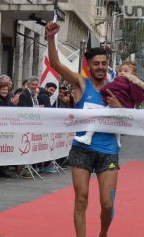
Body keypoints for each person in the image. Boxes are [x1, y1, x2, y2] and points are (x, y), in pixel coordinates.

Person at [46, 22, 123, 237]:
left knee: (107, 204)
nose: (101, 67)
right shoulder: (81, 83)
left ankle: (103, 234)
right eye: (96, 63)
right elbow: (55, 63)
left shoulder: (116, 88)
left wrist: (119, 107)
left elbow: (127, 118)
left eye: (104, 63)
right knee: (81, 198)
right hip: (82, 149)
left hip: (108, 151)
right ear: (88, 66)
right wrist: (51, 38)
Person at [74, 61, 144, 147]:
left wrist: (103, 89)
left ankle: (88, 137)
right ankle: (117, 141)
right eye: (120, 70)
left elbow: (108, 88)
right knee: (116, 124)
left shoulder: (121, 80)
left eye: (126, 71)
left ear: (133, 74)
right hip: (126, 107)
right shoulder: (135, 85)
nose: (122, 73)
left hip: (113, 104)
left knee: (98, 118)